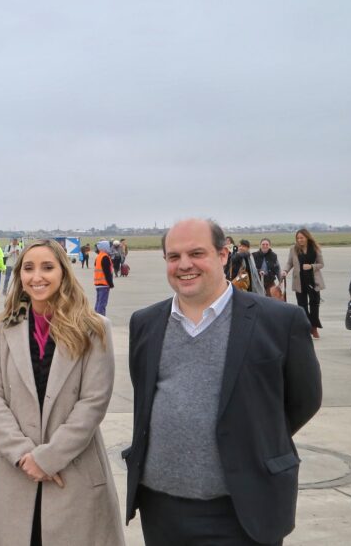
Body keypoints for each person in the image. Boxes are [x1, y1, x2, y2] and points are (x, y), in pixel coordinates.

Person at [123, 219, 322, 546]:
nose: (184, 264)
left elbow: (305, 400)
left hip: (244, 508)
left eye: (196, 253)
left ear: (223, 255)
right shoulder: (144, 323)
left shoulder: (279, 321)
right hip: (161, 508)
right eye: (173, 257)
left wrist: (254, 438)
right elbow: (145, 397)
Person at [0, 239, 124, 546]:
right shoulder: (2, 330)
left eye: (47, 267)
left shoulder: (94, 329)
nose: (36, 276)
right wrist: (24, 456)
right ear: (19, 276)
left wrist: (49, 458)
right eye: (28, 268)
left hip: (73, 471)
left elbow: (93, 403)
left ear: (63, 273)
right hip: (13, 470)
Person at [282, 228, 326, 339]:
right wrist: (285, 271)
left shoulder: (315, 248)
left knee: (314, 305)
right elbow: (289, 263)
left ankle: (314, 327)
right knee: (302, 306)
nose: (300, 240)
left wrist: (311, 266)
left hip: (313, 282)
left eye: (302, 237)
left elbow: (321, 264)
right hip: (299, 281)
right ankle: (306, 328)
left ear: (307, 237)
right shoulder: (293, 249)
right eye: (298, 238)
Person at [93, 241, 114, 316]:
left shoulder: (99, 256)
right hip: (104, 284)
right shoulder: (105, 257)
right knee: (102, 304)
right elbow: (107, 272)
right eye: (109, 246)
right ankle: (100, 320)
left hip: (98, 283)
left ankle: (95, 318)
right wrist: (111, 284)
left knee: (98, 303)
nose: (111, 248)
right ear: (105, 247)